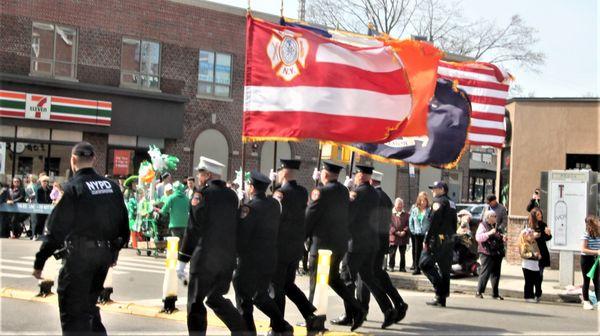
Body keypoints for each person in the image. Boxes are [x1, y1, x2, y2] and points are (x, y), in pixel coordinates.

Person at [32, 142, 130, 335]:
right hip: (102, 259)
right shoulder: (112, 187)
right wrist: (113, 254)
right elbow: (124, 228)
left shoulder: (73, 188)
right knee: (88, 308)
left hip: (79, 260)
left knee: (73, 314)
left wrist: (39, 261)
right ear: (93, 159)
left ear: (73, 160)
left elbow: (55, 230)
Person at [176, 156, 245, 336]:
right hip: (226, 259)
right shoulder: (233, 196)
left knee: (195, 302)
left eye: (200, 174)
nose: (198, 178)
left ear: (207, 175)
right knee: (215, 298)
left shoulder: (202, 195)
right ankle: (241, 329)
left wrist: (183, 258)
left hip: (205, 259)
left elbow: (192, 229)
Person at [305, 161, 366, 331]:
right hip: (339, 244)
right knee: (332, 279)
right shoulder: (343, 190)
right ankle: (357, 308)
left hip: (322, 245)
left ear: (324, 174)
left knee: (316, 284)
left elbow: (309, 217)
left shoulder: (321, 191)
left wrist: (301, 238)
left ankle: (315, 321)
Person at [233, 171, 293, 335]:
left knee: (243, 297)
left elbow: (243, 234)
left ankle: (249, 332)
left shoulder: (249, 208)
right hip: (269, 257)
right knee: (260, 296)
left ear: (251, 187)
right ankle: (283, 326)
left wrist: (240, 208)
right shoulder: (274, 204)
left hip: (250, 259)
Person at [270, 159, 325, 333]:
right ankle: (310, 315)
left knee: (276, 288)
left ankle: (278, 327)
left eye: (279, 171)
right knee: (288, 285)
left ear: (284, 172)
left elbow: (274, 217)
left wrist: (273, 190)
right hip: (295, 248)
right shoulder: (302, 191)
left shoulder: (280, 194)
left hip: (279, 247)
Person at [338, 165, 396, 329]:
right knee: (368, 277)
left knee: (346, 278)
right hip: (371, 242)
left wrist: (346, 192)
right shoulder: (373, 193)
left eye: (356, 174)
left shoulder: (358, 193)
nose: (355, 176)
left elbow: (349, 215)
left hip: (356, 243)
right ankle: (387, 309)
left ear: (360, 176)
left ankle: (355, 312)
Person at [358, 171, 408, 324]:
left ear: (370, 180)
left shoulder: (371, 195)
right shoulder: (385, 196)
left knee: (365, 275)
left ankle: (364, 309)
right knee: (377, 273)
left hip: (370, 241)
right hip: (381, 241)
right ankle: (398, 302)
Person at [420, 181, 457, 307]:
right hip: (449, 238)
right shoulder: (452, 203)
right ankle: (442, 298)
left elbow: (433, 223)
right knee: (444, 269)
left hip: (437, 239)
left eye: (434, 188)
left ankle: (439, 290)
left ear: (442, 189)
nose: (432, 191)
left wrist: (426, 240)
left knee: (424, 263)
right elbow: (454, 222)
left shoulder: (438, 202)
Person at [475, 210, 506, 299]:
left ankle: (495, 294)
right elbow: (478, 238)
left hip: (496, 252)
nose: (496, 218)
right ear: (488, 217)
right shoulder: (483, 225)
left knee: (496, 273)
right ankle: (479, 292)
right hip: (486, 252)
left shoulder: (495, 226)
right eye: (494, 216)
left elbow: (497, 236)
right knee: (485, 272)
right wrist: (489, 233)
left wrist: (503, 238)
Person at [528, 208, 552, 302]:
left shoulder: (543, 225)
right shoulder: (529, 225)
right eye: (538, 215)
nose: (540, 216)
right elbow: (525, 238)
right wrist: (533, 236)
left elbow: (547, 238)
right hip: (532, 251)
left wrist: (548, 234)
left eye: (540, 214)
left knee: (539, 274)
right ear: (534, 216)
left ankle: (537, 293)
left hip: (542, 252)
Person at [409, 191, 431, 275]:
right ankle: (416, 268)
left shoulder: (429, 210)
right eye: (421, 201)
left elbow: (430, 222)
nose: (423, 202)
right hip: (417, 233)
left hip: (425, 234)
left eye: (424, 201)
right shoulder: (415, 210)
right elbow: (411, 221)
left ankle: (425, 268)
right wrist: (413, 230)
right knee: (416, 251)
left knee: (425, 251)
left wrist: (428, 232)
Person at [580, 215, 600, 310]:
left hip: (596, 259)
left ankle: (599, 301)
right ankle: (586, 301)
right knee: (587, 280)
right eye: (597, 221)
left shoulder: (599, 233)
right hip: (586, 259)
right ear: (592, 223)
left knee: (597, 281)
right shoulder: (586, 234)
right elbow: (583, 249)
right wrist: (596, 252)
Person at [519, 227, 542, 303]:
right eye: (530, 235)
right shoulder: (524, 244)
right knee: (529, 282)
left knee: (538, 281)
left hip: (535, 265)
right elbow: (523, 254)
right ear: (525, 236)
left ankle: (538, 294)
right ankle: (528, 296)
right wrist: (532, 254)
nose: (532, 237)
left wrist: (539, 255)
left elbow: (538, 251)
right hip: (527, 266)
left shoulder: (535, 243)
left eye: (532, 235)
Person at [389, 197, 410, 272]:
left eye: (401, 206)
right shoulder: (390, 214)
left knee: (402, 254)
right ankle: (391, 266)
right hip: (394, 236)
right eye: (398, 206)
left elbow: (408, 224)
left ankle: (402, 267)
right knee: (392, 253)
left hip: (403, 237)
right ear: (395, 205)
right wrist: (396, 232)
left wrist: (404, 231)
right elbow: (390, 225)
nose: (400, 207)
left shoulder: (407, 214)